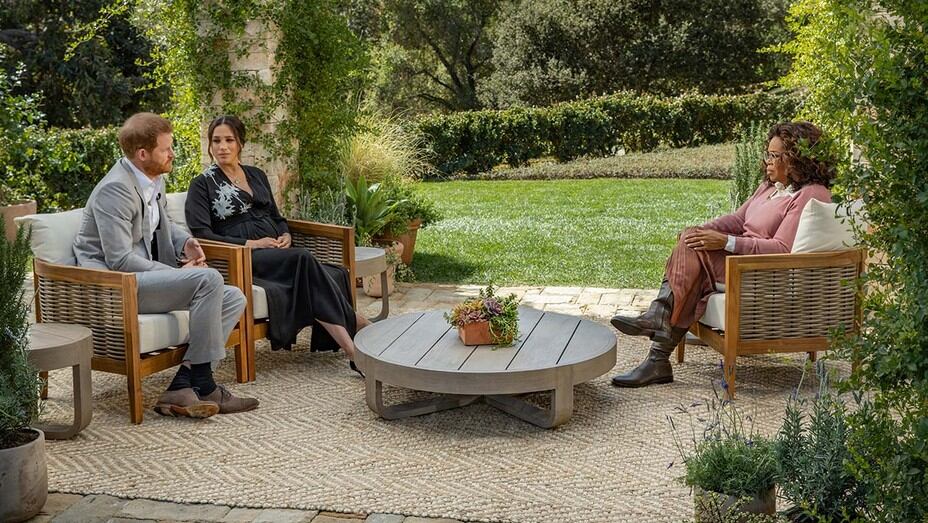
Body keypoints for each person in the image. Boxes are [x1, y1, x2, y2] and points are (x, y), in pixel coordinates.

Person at [610, 121, 836, 388]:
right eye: (768, 153)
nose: (767, 161)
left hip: (759, 270)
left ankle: (659, 326)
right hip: (738, 260)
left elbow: (781, 249)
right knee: (692, 246)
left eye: (775, 155)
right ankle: (657, 351)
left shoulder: (810, 194)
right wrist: (703, 230)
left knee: (692, 252)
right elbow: (738, 219)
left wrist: (725, 242)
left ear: (797, 158)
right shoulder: (769, 187)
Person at [74, 112, 258, 418]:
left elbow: (164, 224)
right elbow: (119, 259)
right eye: (166, 149)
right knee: (209, 279)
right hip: (115, 287)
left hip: (139, 278)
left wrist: (186, 242)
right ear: (142, 154)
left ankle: (182, 385)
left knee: (234, 297)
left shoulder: (152, 178)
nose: (172, 154)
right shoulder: (115, 190)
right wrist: (176, 274)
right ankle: (205, 385)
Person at [184, 115, 370, 375]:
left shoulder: (256, 175)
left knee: (313, 270)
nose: (222, 147)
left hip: (277, 251)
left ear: (240, 143)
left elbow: (276, 216)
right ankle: (355, 340)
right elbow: (202, 234)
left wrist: (285, 234)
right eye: (216, 141)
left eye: (229, 140)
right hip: (243, 257)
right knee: (303, 258)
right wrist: (251, 244)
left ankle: (356, 342)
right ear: (210, 144)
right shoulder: (202, 184)